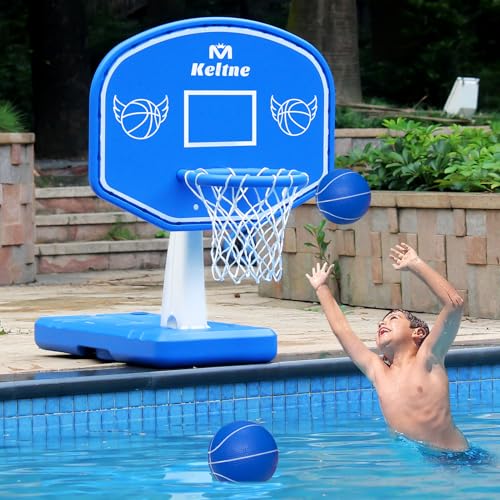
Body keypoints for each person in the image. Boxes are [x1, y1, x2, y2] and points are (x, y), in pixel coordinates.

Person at [306, 242, 469, 452]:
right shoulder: (378, 371)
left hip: (457, 458)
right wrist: (321, 288)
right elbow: (342, 330)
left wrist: (415, 264)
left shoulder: (428, 358)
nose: (382, 324)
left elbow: (454, 304)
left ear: (418, 333)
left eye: (393, 318)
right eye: (380, 323)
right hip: (418, 460)